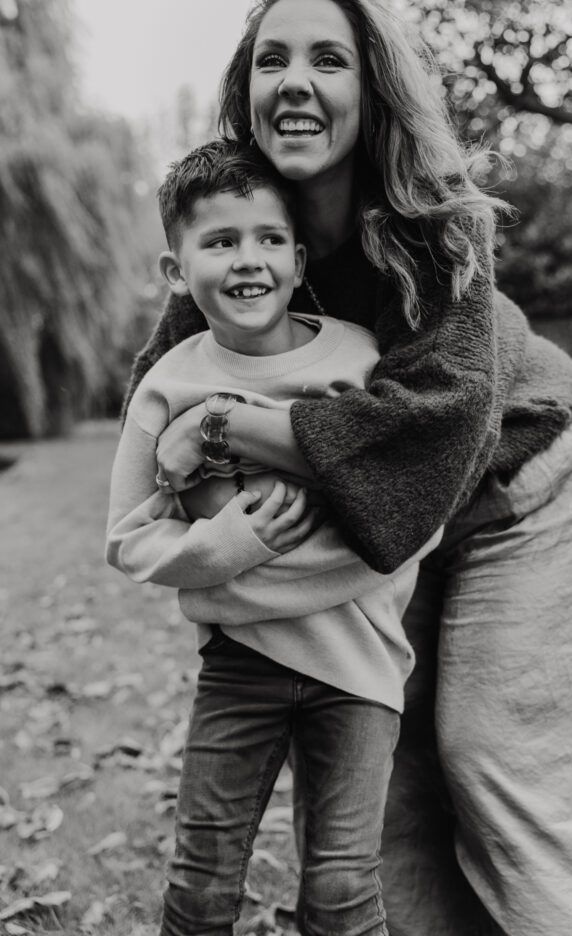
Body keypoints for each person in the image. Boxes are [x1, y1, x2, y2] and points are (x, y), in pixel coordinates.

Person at [124, 0, 572, 936]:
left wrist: (239, 431)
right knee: (379, 774)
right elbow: (166, 401)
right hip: (376, 527)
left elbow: (433, 425)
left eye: (328, 58)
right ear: (244, 88)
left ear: (369, 90)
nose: (295, 80)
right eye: (271, 58)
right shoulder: (242, 231)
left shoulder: (434, 224)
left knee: (494, 751)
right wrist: (214, 522)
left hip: (517, 484)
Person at [106, 139, 443, 936]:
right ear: (176, 271)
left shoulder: (356, 360)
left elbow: (410, 512)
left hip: (356, 666)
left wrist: (285, 572)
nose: (246, 260)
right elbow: (129, 537)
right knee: (199, 884)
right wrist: (228, 551)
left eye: (265, 239)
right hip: (239, 667)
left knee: (340, 891)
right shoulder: (168, 384)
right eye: (219, 242)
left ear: (297, 257)